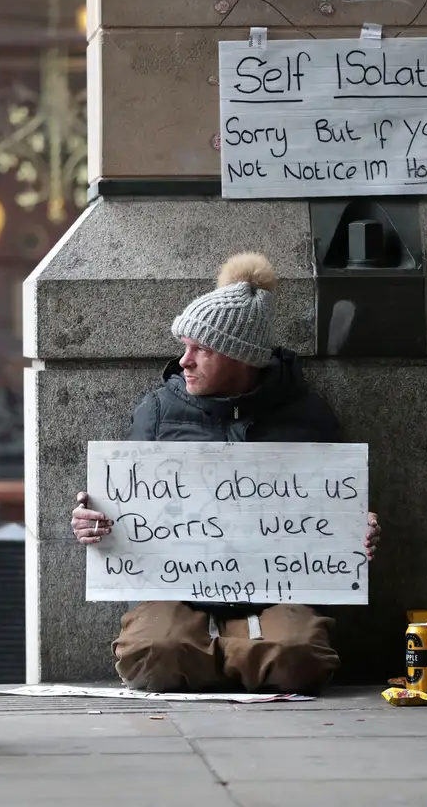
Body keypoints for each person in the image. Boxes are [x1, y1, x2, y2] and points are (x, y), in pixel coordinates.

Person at [70, 252, 381, 693]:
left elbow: (333, 505)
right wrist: (91, 519)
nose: (184, 361)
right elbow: (122, 501)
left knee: (300, 658)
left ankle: (211, 654)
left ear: (239, 357)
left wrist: (357, 527)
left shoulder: (307, 415)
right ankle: (244, 656)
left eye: (201, 349)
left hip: (277, 591)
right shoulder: (159, 410)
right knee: (149, 654)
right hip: (179, 590)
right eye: (185, 346)